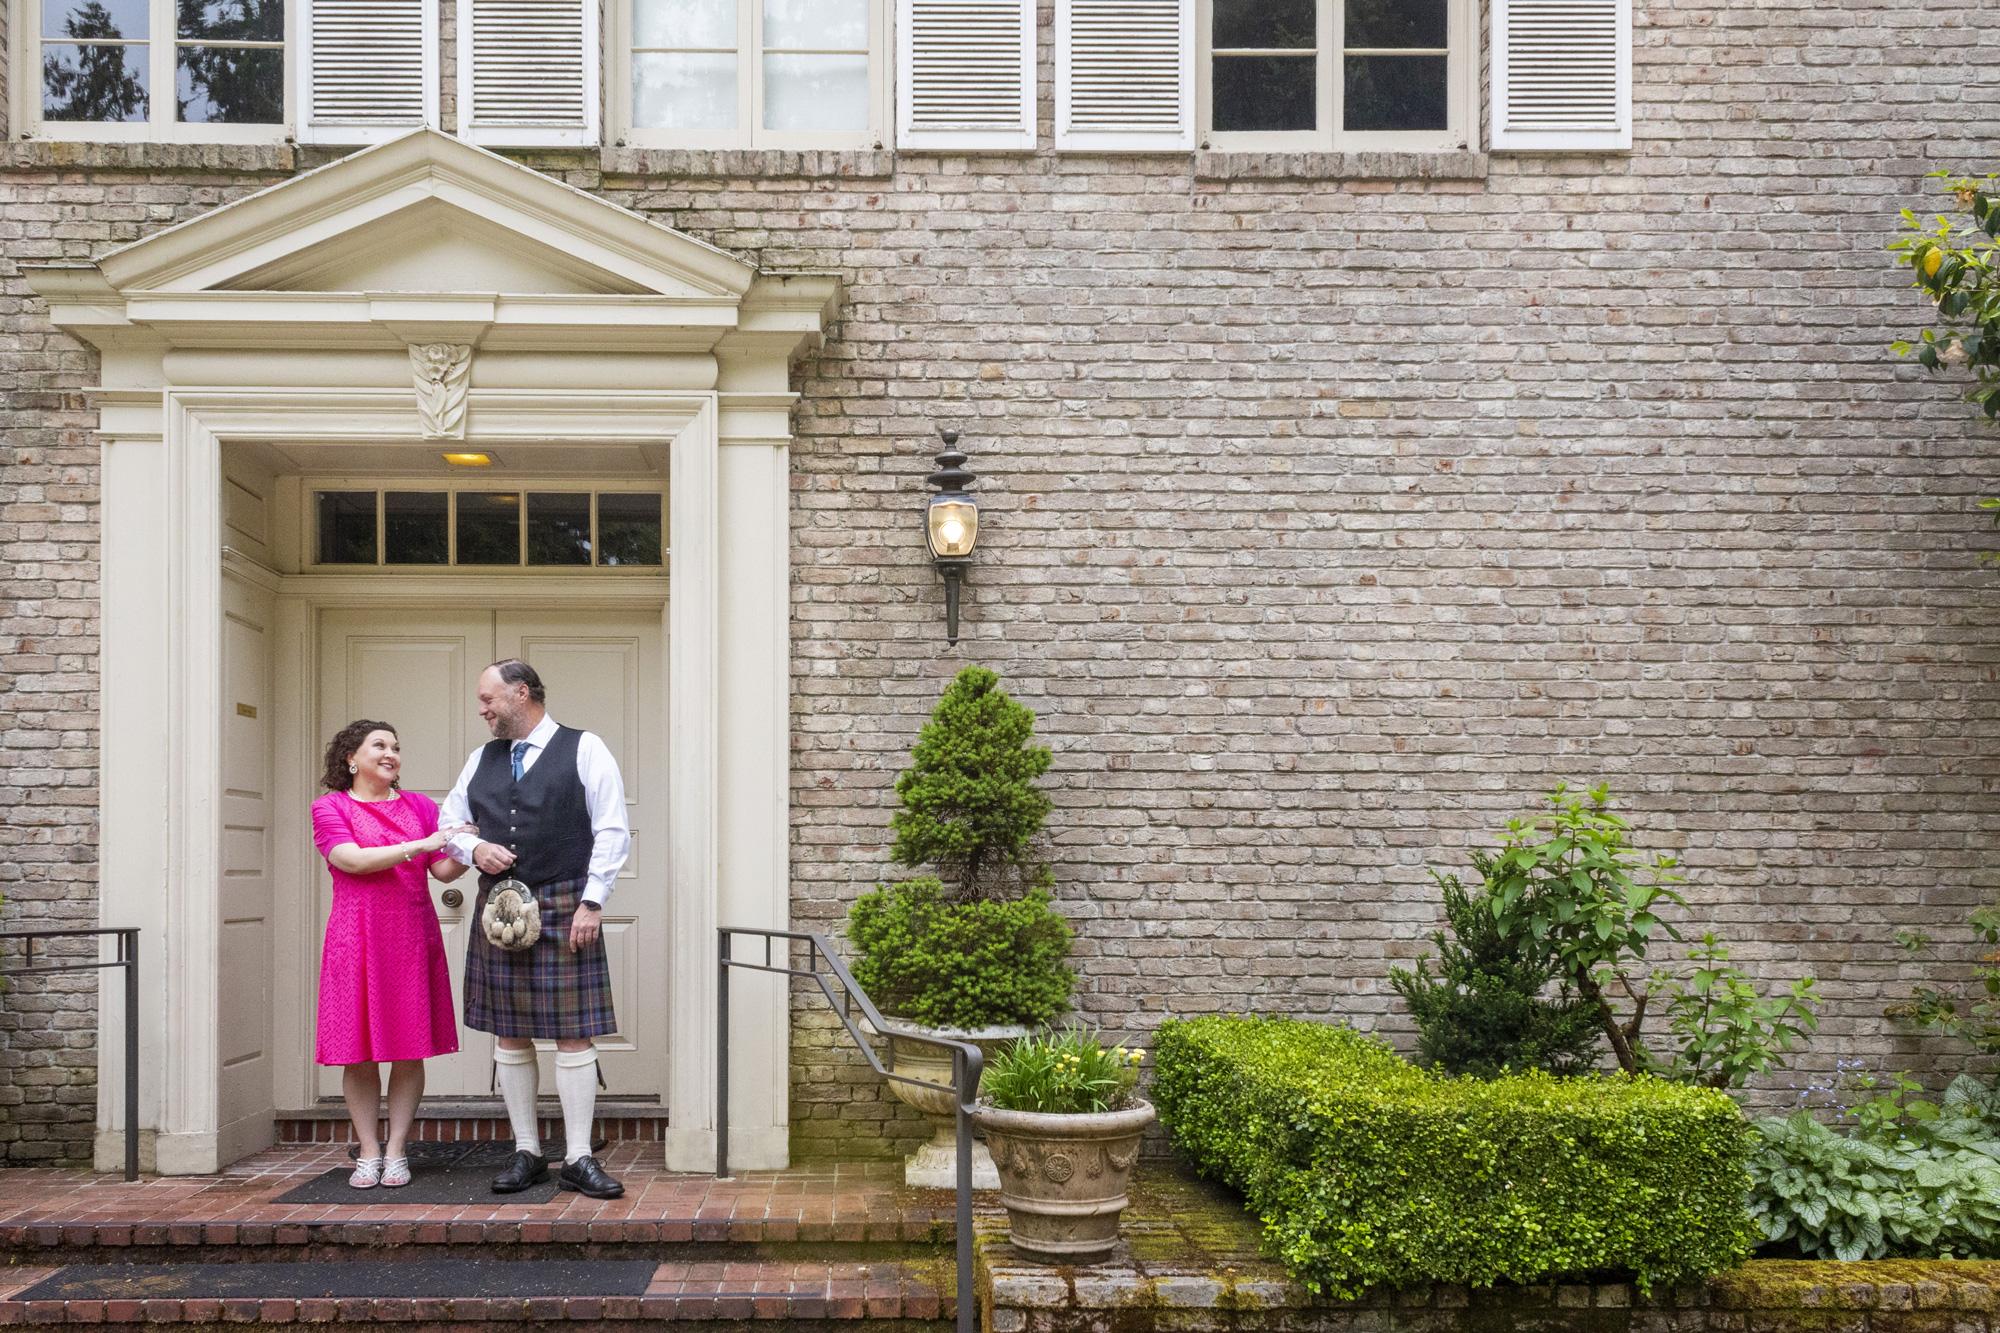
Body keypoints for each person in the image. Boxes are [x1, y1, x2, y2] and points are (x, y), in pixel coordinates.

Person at [439, 659, 632, 1199]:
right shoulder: (482, 759)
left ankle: (577, 1156)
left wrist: (592, 902)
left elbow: (612, 829)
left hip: (567, 901)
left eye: (488, 699)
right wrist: (474, 847)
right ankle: (526, 1150)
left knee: (574, 1030)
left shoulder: (584, 748)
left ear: (521, 694)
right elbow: (448, 825)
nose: (482, 709)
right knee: (510, 1028)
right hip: (499, 910)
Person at [311, 720, 472, 1189]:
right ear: (351, 758)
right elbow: (351, 859)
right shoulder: (331, 807)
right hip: (355, 937)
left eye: (396, 747)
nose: (391, 753)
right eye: (378, 745)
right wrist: (421, 844)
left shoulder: (420, 806)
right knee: (357, 1052)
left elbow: (441, 871)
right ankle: (367, 1152)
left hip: (409, 938)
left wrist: (467, 843)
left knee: (407, 1049)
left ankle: (398, 1151)